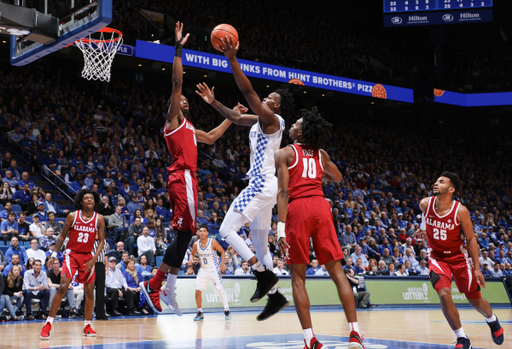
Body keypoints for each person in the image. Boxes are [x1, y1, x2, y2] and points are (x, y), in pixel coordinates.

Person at [196, 33, 295, 322]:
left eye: (269, 99)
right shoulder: (264, 120)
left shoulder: (272, 120)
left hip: (262, 184)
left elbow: (249, 93)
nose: (264, 100)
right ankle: (275, 298)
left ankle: (261, 274)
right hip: (268, 187)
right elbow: (237, 117)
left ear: (276, 107)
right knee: (260, 244)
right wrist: (214, 103)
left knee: (225, 231)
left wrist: (232, 60)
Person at [140, 22, 233, 315]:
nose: (182, 99)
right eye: (178, 100)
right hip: (181, 177)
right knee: (184, 235)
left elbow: (214, 136)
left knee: (185, 235)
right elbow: (177, 83)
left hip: (189, 182)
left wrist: (233, 116)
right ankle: (157, 285)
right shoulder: (173, 121)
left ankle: (165, 286)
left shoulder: (191, 128)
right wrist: (178, 49)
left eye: (184, 101)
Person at [275, 107, 364, 348]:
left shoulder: (284, 153)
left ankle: (310, 339)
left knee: (297, 279)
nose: (291, 126)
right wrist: (318, 169)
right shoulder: (321, 154)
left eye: (295, 124)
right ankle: (355, 333)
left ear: (300, 134)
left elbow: (283, 192)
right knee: (337, 273)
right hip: (321, 207)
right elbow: (337, 177)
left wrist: (280, 227)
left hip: (298, 209)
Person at [415, 172, 504, 348]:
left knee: (475, 300)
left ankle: (492, 320)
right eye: (436, 181)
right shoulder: (425, 203)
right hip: (437, 258)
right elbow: (425, 217)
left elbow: (471, 239)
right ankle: (462, 338)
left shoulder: (460, 211)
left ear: (451, 189)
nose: (435, 183)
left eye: (441, 182)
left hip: (458, 258)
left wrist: (477, 268)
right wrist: (423, 228)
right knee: (444, 294)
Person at [39, 189, 105, 339]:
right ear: (81, 201)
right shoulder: (72, 216)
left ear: (95, 201)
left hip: (88, 257)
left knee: (89, 291)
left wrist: (94, 259)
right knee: (63, 287)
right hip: (72, 254)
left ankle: (87, 325)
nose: (89, 200)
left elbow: (101, 241)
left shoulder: (99, 218)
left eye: (91, 198)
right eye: (86, 198)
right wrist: (54, 254)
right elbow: (62, 236)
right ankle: (48, 323)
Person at [188, 225, 231, 321]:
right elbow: (192, 253)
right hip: (203, 269)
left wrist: (222, 263)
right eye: (200, 231)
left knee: (220, 288)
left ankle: (227, 310)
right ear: (198, 233)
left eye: (204, 231)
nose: (202, 232)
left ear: (207, 233)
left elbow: (222, 251)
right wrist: (191, 259)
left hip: (214, 268)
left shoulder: (213, 242)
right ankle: (200, 312)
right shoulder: (196, 244)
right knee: (197, 290)